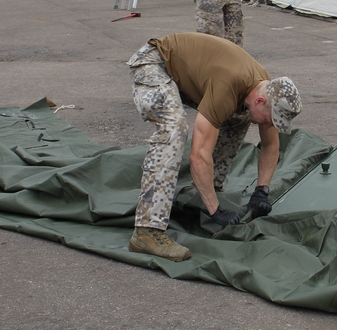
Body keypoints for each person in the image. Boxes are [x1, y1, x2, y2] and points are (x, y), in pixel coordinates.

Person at [127, 32, 302, 262]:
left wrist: (262, 191)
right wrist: (215, 210)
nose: (270, 124)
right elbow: (198, 155)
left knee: (241, 117)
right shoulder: (228, 86)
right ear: (260, 101)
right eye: (272, 118)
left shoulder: (266, 88)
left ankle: (205, 189)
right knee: (174, 128)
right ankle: (147, 230)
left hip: (190, 75)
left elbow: (270, 144)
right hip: (154, 63)